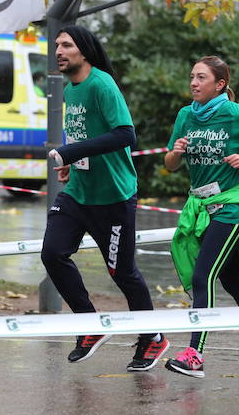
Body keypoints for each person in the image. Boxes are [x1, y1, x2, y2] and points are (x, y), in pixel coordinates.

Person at [41, 25, 169, 372]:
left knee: (122, 273)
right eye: (57, 46)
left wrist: (71, 151)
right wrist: (73, 163)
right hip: (79, 193)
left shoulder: (102, 84)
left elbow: (126, 134)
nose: (59, 51)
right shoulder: (72, 89)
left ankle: (152, 338)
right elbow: (83, 134)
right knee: (52, 254)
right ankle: (91, 326)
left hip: (113, 196)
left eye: (66, 45)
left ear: (84, 50)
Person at [164, 56, 239, 379]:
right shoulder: (185, 116)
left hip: (231, 205)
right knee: (232, 279)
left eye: (201, 78)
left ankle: (195, 355)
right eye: (191, 76)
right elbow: (170, 165)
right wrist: (176, 152)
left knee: (202, 276)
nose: (193, 83)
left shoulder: (236, 114)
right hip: (202, 208)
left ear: (219, 84)